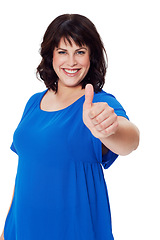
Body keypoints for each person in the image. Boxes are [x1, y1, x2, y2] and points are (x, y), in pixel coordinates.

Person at [1, 14, 139, 240]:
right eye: (63, 52)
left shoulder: (97, 104)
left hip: (73, 232)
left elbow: (131, 140)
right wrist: (7, 229)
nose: (71, 62)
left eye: (80, 52)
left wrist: (109, 129)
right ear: (51, 55)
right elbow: (24, 171)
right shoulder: (34, 102)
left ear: (91, 56)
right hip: (21, 230)